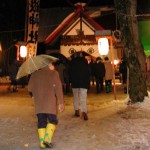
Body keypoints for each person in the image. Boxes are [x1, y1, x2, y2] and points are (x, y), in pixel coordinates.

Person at [28, 62, 65, 149]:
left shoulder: (35, 74)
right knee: (53, 120)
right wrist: (61, 102)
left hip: (39, 103)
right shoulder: (54, 73)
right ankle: (47, 140)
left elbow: (30, 88)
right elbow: (58, 89)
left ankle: (42, 143)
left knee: (41, 121)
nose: (53, 66)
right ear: (49, 65)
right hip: (50, 102)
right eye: (52, 64)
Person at [70, 52, 90, 120]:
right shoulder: (85, 61)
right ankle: (84, 112)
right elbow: (88, 72)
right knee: (83, 98)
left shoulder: (72, 62)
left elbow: (70, 72)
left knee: (75, 97)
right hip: (84, 83)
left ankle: (76, 111)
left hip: (75, 83)